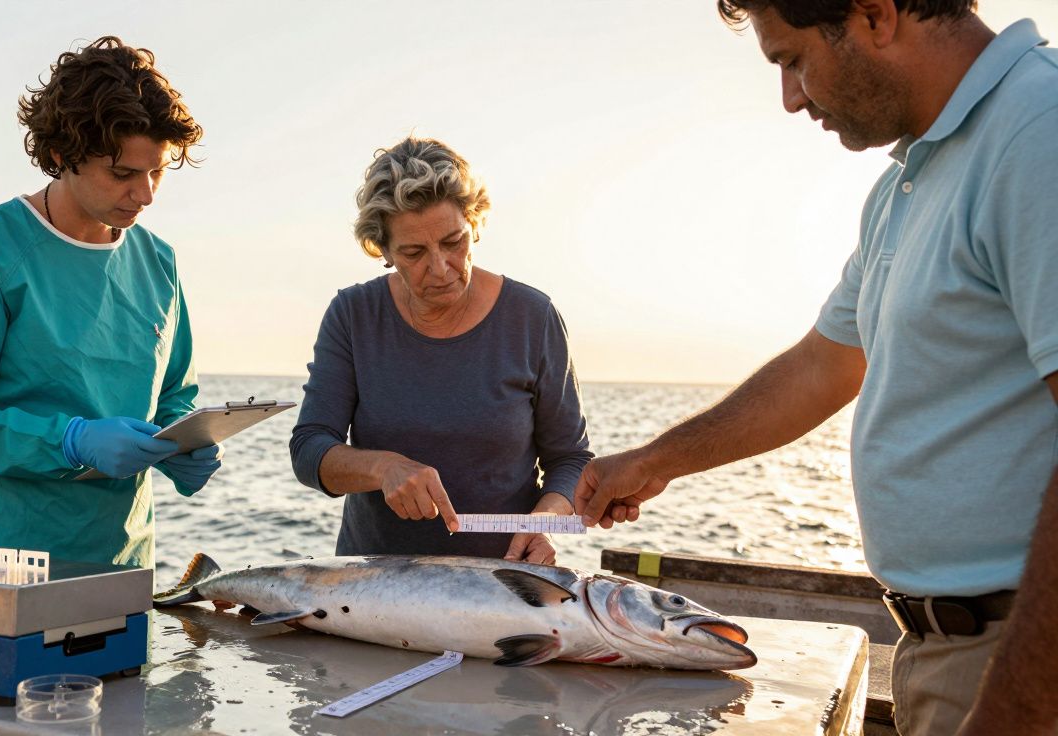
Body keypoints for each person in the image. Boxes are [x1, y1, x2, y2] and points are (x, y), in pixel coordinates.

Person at [575, 2, 1058, 734]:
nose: (791, 97)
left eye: (792, 60)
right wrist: (652, 461)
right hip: (940, 651)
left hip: (1021, 659)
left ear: (874, 15)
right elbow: (824, 366)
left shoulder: (1037, 131)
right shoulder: (908, 183)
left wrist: (1015, 708)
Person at [0, 37, 222, 569]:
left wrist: (185, 442)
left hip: (121, 559)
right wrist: (71, 440)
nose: (145, 194)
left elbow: (172, 396)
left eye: (157, 172)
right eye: (122, 174)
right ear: (61, 155)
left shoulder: (157, 260)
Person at [289, 137, 592, 564]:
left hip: (505, 581)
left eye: (454, 242)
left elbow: (571, 459)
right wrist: (382, 468)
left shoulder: (533, 317)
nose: (440, 268)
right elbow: (309, 449)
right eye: (413, 252)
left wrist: (543, 522)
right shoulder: (353, 315)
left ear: (475, 223)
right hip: (371, 586)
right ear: (385, 252)